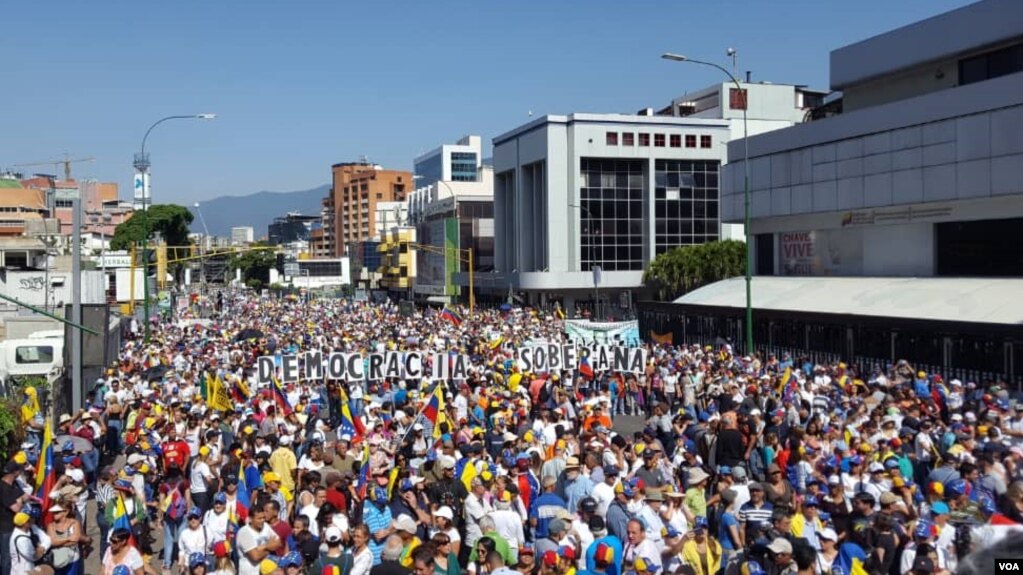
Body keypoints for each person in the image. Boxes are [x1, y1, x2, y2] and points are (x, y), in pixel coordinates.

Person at [236, 507, 282, 575]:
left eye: (263, 518)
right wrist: (269, 546)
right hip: (249, 572)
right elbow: (255, 556)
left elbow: (278, 542)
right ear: (251, 519)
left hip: (265, 571)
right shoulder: (244, 532)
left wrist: (262, 547)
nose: (262, 520)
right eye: (259, 518)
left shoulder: (266, 526)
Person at [45, 504, 81, 575]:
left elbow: (75, 540)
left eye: (57, 512)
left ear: (65, 512)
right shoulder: (51, 526)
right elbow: (52, 542)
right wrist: (68, 538)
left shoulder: (74, 523)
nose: (54, 514)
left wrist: (58, 542)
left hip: (72, 559)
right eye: (53, 512)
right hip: (57, 560)